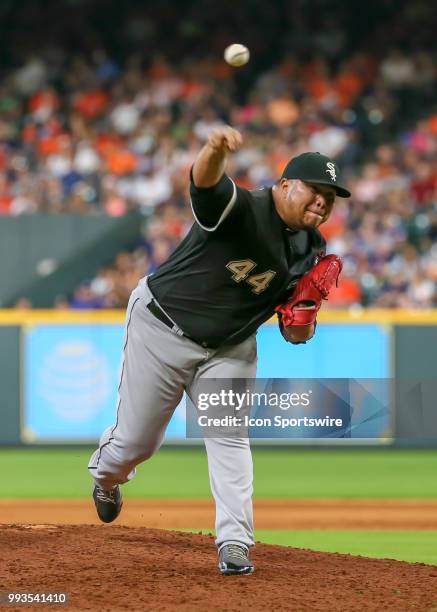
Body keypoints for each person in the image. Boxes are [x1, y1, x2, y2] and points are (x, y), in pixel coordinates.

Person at [88, 126, 351, 575]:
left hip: (230, 347)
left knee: (229, 440)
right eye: (315, 190)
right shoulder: (244, 209)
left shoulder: (311, 249)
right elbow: (206, 184)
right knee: (136, 443)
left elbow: (295, 335)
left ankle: (235, 543)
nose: (323, 202)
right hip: (163, 326)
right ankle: (106, 477)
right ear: (285, 185)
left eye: (330, 196)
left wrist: (304, 315)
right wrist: (213, 150)